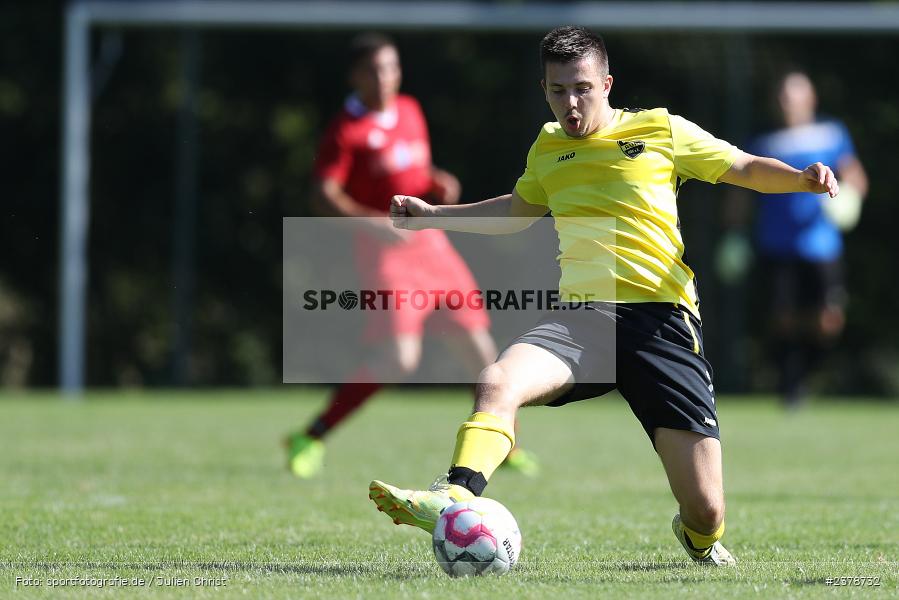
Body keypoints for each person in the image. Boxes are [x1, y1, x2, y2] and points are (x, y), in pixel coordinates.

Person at [368, 27, 838, 566]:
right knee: (496, 380)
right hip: (584, 322)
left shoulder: (660, 129)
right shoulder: (547, 147)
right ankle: (453, 496)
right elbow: (517, 212)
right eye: (557, 90)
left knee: (707, 511)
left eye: (582, 88)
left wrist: (802, 179)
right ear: (543, 89)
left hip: (663, 326)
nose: (570, 103)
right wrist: (432, 218)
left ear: (607, 83)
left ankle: (698, 538)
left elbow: (742, 167)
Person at [285, 33, 539, 479]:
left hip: (432, 244)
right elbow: (322, 196)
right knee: (399, 359)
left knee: (481, 351)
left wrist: (438, 185)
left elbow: (415, 174)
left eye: (391, 67)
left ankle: (504, 446)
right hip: (386, 253)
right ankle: (311, 435)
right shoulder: (347, 130)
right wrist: (374, 224)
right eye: (374, 69)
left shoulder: (409, 110)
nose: (385, 78)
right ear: (355, 75)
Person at [742, 71, 867, 407]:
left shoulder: (831, 133)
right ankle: (789, 387)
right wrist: (735, 235)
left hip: (821, 246)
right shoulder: (763, 142)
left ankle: (805, 376)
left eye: (794, 96)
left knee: (828, 320)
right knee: (783, 318)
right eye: (782, 97)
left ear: (810, 100)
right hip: (776, 244)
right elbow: (741, 192)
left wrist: (849, 200)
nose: (788, 103)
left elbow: (855, 175)